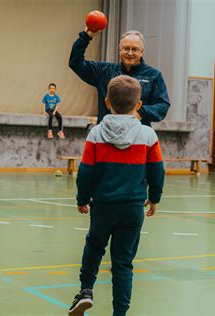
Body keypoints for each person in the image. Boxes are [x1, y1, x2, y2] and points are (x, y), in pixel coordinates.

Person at [68, 75, 165, 316]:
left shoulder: (96, 134)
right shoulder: (148, 136)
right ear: (139, 105)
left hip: (103, 205)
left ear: (106, 102)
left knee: (94, 246)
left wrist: (82, 198)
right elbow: (157, 170)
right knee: (123, 263)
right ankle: (119, 313)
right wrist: (155, 197)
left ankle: (86, 291)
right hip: (132, 209)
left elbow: (85, 172)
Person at [69, 29, 170, 126]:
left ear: (141, 52)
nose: (130, 53)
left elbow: (163, 106)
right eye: (126, 48)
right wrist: (86, 37)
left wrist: (139, 112)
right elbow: (76, 63)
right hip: (106, 136)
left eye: (135, 49)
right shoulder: (104, 71)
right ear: (119, 50)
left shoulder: (153, 75)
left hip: (137, 138)